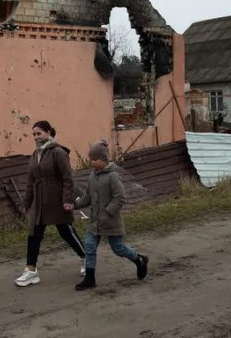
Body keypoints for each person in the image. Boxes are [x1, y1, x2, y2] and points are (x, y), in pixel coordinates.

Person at [14, 120, 86, 287]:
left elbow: (67, 178)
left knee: (65, 231)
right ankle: (31, 271)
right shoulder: (35, 155)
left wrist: (68, 200)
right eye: (34, 134)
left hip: (56, 199)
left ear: (48, 133)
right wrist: (27, 202)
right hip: (39, 201)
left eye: (39, 133)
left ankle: (86, 257)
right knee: (34, 234)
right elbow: (31, 181)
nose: (36, 137)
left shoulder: (58, 152)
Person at [74, 139, 149, 291]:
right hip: (95, 221)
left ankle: (139, 259)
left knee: (118, 249)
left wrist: (108, 212)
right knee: (89, 246)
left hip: (110, 221)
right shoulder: (92, 176)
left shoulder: (113, 176)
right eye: (91, 159)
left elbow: (120, 198)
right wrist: (76, 204)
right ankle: (90, 278)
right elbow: (88, 197)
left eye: (94, 159)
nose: (92, 162)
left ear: (103, 159)